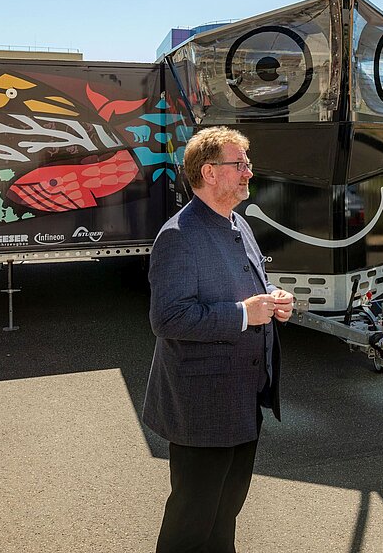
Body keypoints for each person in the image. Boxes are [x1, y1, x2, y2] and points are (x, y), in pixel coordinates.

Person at [142, 126, 295, 553]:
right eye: (239, 164)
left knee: (225, 510)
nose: (250, 172)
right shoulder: (179, 235)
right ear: (209, 172)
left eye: (248, 164)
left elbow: (243, 286)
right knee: (192, 521)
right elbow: (168, 318)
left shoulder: (239, 223)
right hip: (202, 405)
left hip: (243, 397)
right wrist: (246, 314)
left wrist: (274, 300)